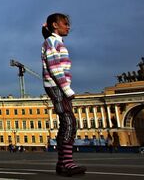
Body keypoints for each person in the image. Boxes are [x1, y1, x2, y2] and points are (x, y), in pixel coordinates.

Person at [42, 13, 87, 176]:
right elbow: (54, 67)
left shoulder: (54, 41)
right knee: (69, 121)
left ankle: (64, 163)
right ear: (55, 25)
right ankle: (66, 164)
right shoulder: (52, 41)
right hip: (57, 86)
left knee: (68, 122)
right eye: (65, 23)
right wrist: (66, 89)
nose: (68, 27)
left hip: (57, 85)